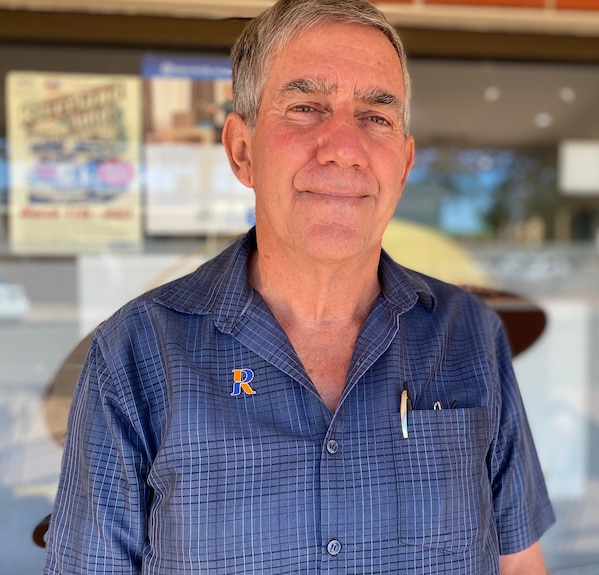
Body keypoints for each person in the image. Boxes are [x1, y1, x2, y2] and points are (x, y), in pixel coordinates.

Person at [43, 1, 555, 573]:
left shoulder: (470, 334)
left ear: (404, 164)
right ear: (242, 150)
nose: (343, 147)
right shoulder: (137, 353)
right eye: (306, 107)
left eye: (376, 116)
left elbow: (519, 564)